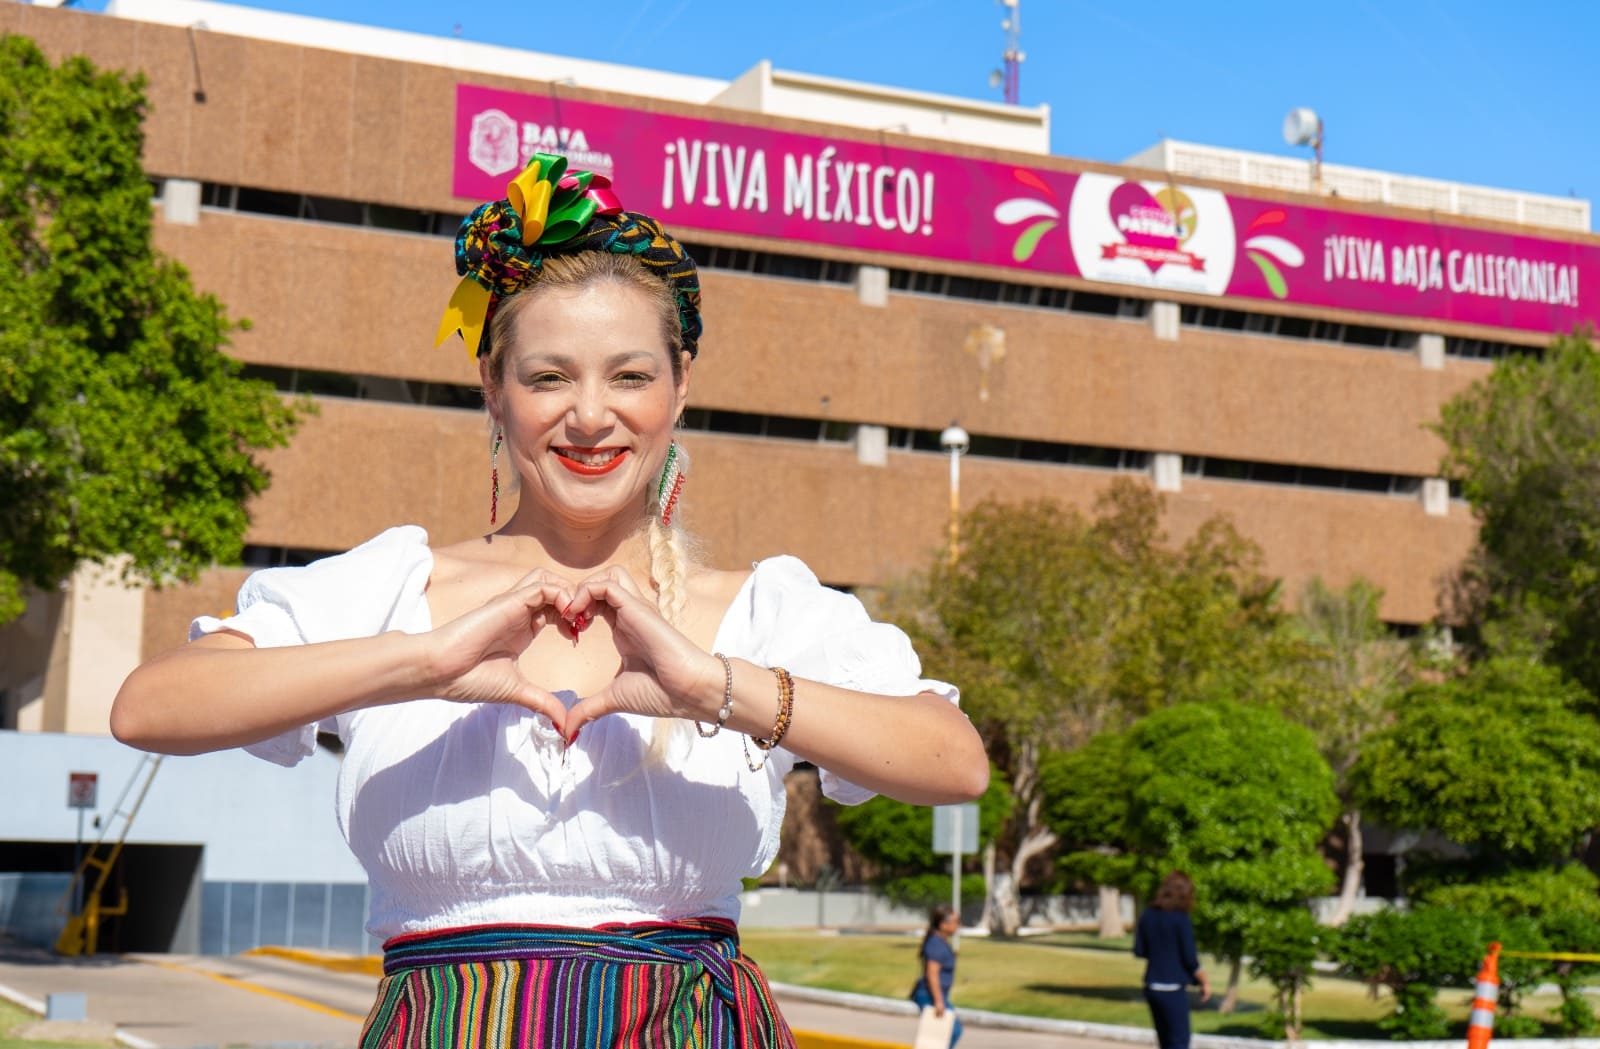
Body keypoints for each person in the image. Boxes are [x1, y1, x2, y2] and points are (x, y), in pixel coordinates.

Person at [110, 152, 989, 1048]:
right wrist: (424, 662)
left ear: (681, 386)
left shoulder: (761, 607)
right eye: (549, 377)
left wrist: (711, 686)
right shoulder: (395, 586)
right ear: (492, 388)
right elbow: (151, 707)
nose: (591, 415)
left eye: (631, 376)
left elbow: (952, 760)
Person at [1133, 871, 1211, 1049]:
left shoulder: (1148, 915)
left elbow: (1139, 950)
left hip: (1152, 987)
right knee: (1179, 1041)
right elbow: (1190, 958)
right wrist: (1204, 982)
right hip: (1172, 989)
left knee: (1165, 1041)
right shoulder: (1181, 919)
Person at [910, 904, 963, 1047]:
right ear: (943, 924)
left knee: (944, 1033)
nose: (958, 925)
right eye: (955, 922)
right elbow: (932, 974)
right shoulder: (936, 944)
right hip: (930, 994)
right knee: (953, 1030)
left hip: (935, 994)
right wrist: (939, 1001)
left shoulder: (939, 942)